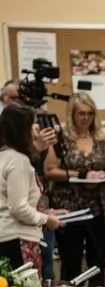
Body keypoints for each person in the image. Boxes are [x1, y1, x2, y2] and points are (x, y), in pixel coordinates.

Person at [44, 91, 105, 281]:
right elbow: (50, 170)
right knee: (71, 264)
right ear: (72, 114)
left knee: (98, 262)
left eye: (90, 113)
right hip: (70, 208)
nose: (86, 118)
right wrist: (83, 175)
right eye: (81, 113)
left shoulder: (102, 138)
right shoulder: (60, 137)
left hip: (99, 208)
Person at [0, 103, 63, 270]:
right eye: (33, 124)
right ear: (22, 131)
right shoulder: (18, 160)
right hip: (17, 240)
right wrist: (46, 219)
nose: (37, 129)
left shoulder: (5, 156)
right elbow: (18, 208)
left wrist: (46, 213)